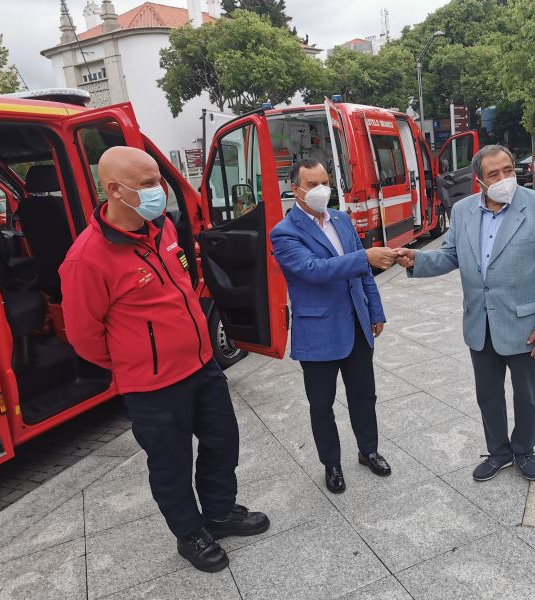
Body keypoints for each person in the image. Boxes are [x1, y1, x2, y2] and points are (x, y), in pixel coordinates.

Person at [60, 146, 269, 574]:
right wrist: (137, 361)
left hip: (201, 366)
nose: (160, 192)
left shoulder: (164, 229)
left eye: (159, 180)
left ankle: (220, 512)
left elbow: (184, 283)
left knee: (222, 442)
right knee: (171, 465)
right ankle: (190, 533)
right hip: (152, 387)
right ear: (114, 190)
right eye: (149, 184)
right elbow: (84, 338)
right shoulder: (87, 259)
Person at [395, 145, 535, 482]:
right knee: (488, 394)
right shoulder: (463, 212)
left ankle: (524, 449)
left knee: (526, 396)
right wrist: (416, 259)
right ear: (479, 180)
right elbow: (449, 255)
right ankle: (499, 451)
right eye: (494, 174)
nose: (505, 178)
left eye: (508, 169)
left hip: (526, 325)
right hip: (480, 323)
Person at [270, 159, 394, 495]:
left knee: (364, 396)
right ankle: (332, 463)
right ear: (295, 190)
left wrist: (375, 312)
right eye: (312, 184)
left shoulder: (341, 219)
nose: (321, 190)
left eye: (325, 182)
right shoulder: (284, 232)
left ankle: (368, 450)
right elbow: (313, 269)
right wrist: (364, 256)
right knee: (322, 405)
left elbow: (362, 274)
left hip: (355, 323)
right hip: (319, 332)